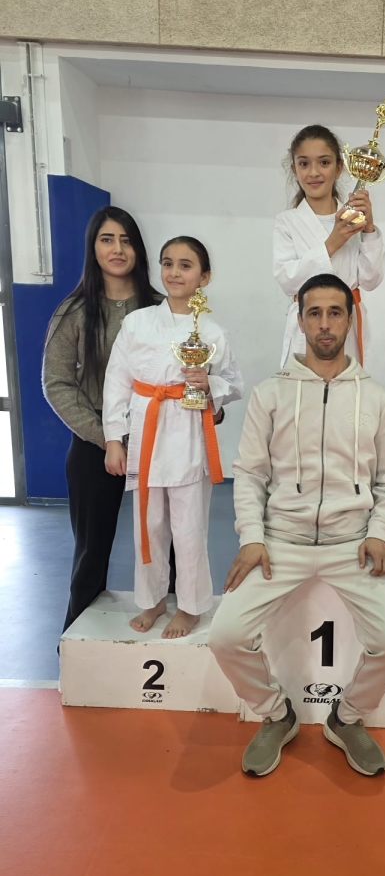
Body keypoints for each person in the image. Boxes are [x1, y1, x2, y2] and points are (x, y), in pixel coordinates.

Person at [208, 273, 385, 778]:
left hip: (353, 543)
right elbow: (250, 473)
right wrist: (253, 537)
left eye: (335, 312)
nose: (325, 324)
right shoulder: (270, 394)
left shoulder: (376, 396)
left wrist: (378, 529)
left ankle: (347, 718)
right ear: (300, 321)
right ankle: (277, 714)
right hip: (282, 542)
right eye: (314, 313)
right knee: (225, 637)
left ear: (350, 319)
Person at [103, 237, 243, 639]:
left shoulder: (212, 331)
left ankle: (190, 605)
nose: (175, 272)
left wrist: (209, 382)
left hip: (187, 432)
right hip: (146, 430)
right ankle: (152, 600)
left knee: (188, 527)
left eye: (185, 265)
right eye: (168, 263)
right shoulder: (138, 322)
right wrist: (114, 438)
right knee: (148, 524)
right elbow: (117, 381)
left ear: (204, 277)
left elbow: (234, 383)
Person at [42, 205, 162, 631]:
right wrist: (106, 437)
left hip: (159, 439)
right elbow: (57, 383)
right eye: (107, 240)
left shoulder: (164, 310)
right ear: (93, 248)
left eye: (126, 240)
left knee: (168, 546)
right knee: (91, 553)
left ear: (138, 249)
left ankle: (175, 636)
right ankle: (75, 643)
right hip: (95, 445)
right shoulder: (74, 311)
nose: (117, 249)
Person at [273, 124, 385, 368]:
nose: (314, 172)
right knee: (304, 388)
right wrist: (332, 243)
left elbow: (370, 280)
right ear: (294, 169)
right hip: (308, 323)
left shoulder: (352, 218)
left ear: (339, 168)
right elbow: (287, 280)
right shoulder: (287, 221)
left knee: (345, 388)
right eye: (304, 164)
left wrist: (368, 228)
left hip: (346, 321)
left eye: (324, 162)